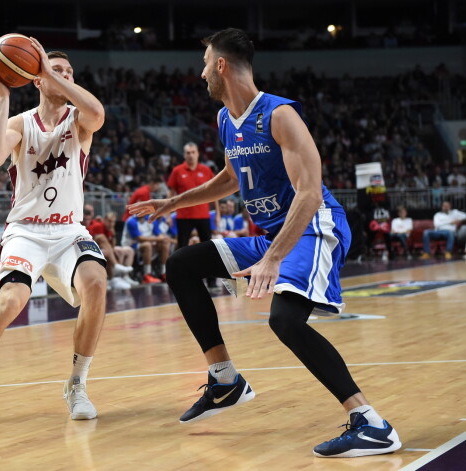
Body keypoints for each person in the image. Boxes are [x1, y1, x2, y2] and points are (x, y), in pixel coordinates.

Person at [128, 28, 401, 458]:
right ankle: (225, 380)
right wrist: (175, 202)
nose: (200, 75)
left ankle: (371, 423)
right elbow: (233, 177)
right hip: (273, 236)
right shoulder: (224, 121)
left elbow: (309, 193)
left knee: (286, 321)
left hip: (315, 227)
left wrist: (273, 259)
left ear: (221, 65)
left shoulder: (279, 115)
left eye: (204, 65)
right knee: (181, 264)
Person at [0, 39, 108, 424]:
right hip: (26, 231)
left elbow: (98, 113)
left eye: (68, 73)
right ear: (36, 81)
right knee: (12, 301)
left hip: (68, 231)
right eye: (54, 72)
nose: (63, 77)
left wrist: (50, 71)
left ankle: (76, 384)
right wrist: (1, 97)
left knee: (96, 281)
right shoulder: (20, 123)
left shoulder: (78, 120)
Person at [167, 142, 219, 248]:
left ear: (198, 154)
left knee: (207, 246)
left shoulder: (206, 170)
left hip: (203, 214)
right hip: (183, 215)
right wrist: (168, 215)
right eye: (188, 153)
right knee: (182, 245)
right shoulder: (177, 171)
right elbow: (170, 194)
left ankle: (205, 265)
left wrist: (218, 214)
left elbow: (214, 192)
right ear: (184, 155)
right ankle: (181, 265)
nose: (191, 155)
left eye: (193, 152)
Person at [85, 206, 134, 290]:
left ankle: (122, 276)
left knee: (121, 251)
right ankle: (115, 274)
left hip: (97, 247)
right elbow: (100, 242)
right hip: (88, 247)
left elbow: (112, 246)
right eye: (109, 221)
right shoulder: (98, 225)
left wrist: (113, 233)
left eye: (113, 222)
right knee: (105, 246)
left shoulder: (109, 229)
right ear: (105, 220)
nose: (111, 224)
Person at [121, 214, 169, 282]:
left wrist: (162, 238)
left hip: (148, 243)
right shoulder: (131, 221)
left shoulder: (150, 219)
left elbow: (159, 234)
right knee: (147, 245)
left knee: (164, 244)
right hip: (131, 245)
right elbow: (140, 238)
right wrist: (158, 239)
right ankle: (147, 275)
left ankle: (163, 273)